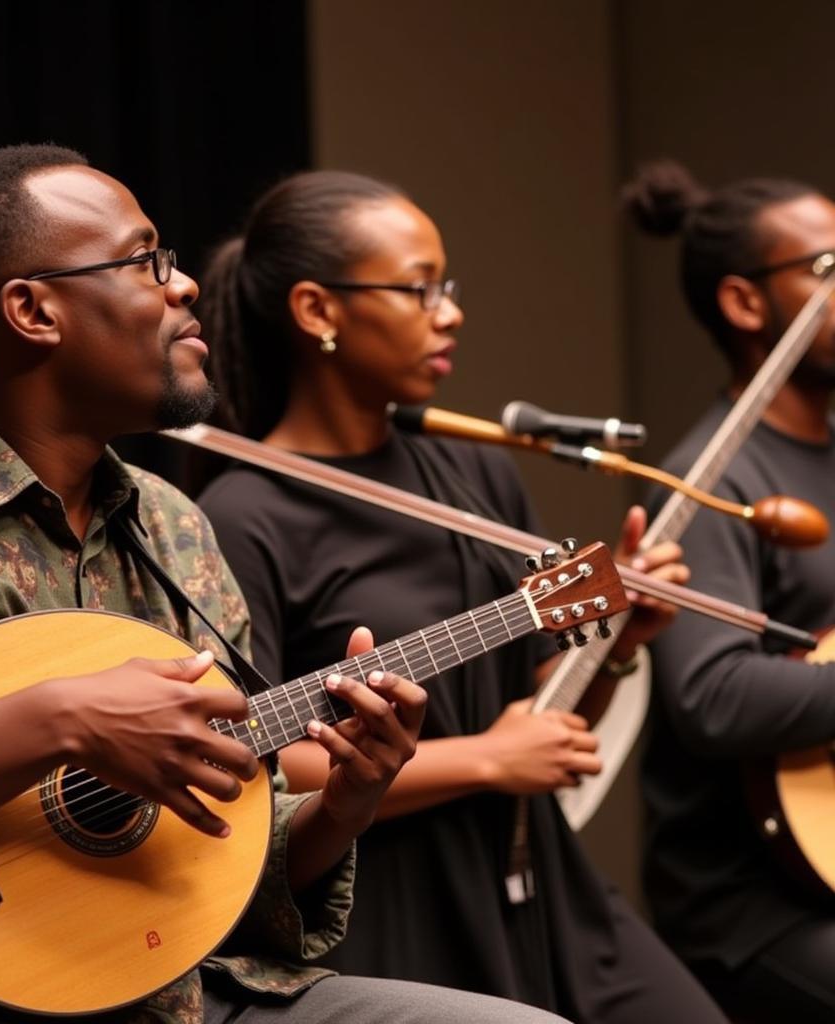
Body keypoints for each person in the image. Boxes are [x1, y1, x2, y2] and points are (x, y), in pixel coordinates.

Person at [0, 145, 569, 1024]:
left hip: (173, 995)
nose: (183, 288)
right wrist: (58, 722)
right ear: (31, 311)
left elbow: (224, 855)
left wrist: (343, 805)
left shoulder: (172, 527)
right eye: (144, 261)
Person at [196, 169, 726, 1023]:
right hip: (384, 891)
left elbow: (546, 710)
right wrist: (486, 759)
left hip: (532, 870)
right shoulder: (240, 514)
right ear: (316, 311)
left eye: (447, 287)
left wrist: (615, 645)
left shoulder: (473, 472)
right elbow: (252, 759)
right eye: (418, 289)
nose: (450, 312)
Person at [625, 160, 835, 1022]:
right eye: (827, 269)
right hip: (752, 897)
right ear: (748, 304)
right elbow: (714, 697)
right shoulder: (709, 482)